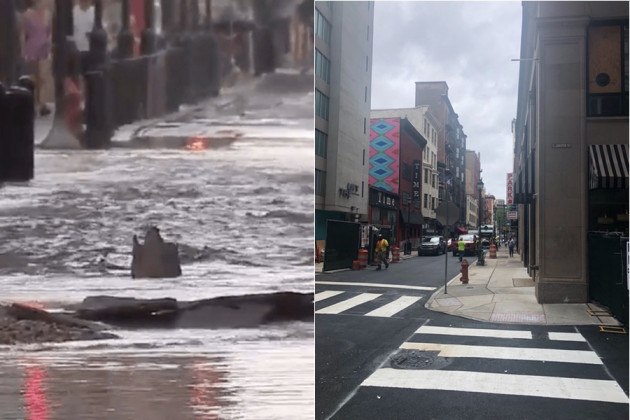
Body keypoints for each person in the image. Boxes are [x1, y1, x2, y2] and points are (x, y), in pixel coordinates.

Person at [19, 0, 52, 116]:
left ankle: (42, 105)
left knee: (43, 77)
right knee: (33, 78)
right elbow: (23, 34)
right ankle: (33, 105)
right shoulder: (27, 14)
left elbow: (49, 32)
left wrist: (49, 42)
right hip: (32, 48)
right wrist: (23, 51)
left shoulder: (47, 14)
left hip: (44, 48)